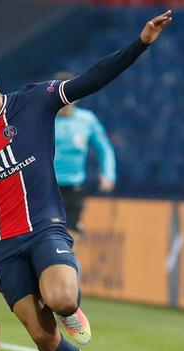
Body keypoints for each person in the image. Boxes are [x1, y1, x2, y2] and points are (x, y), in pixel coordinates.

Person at [0, 10, 172, 351]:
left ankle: (68, 307)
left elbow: (92, 79)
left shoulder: (36, 100)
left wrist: (140, 43)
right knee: (44, 339)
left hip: (44, 224)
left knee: (62, 298)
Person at [54, 71, 117, 234]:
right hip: (46, 187)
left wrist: (108, 174)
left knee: (70, 234)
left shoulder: (87, 120)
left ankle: (68, 259)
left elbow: (104, 148)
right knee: (46, 234)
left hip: (74, 187)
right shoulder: (44, 118)